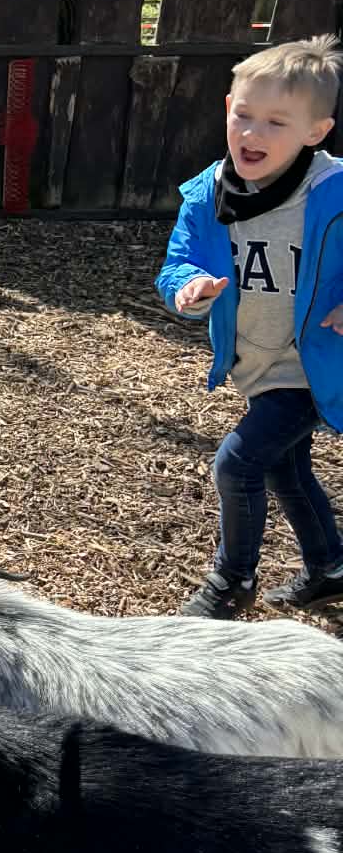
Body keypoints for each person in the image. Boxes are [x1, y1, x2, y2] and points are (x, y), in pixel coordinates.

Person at [156, 35, 343, 619]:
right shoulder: (209, 194)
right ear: (226, 108)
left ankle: (231, 581)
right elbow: (179, 261)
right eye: (243, 115)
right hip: (257, 362)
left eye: (276, 123)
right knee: (286, 466)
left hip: (313, 367)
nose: (252, 134)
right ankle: (331, 567)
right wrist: (187, 287)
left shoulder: (334, 192)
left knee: (237, 465)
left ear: (316, 131)